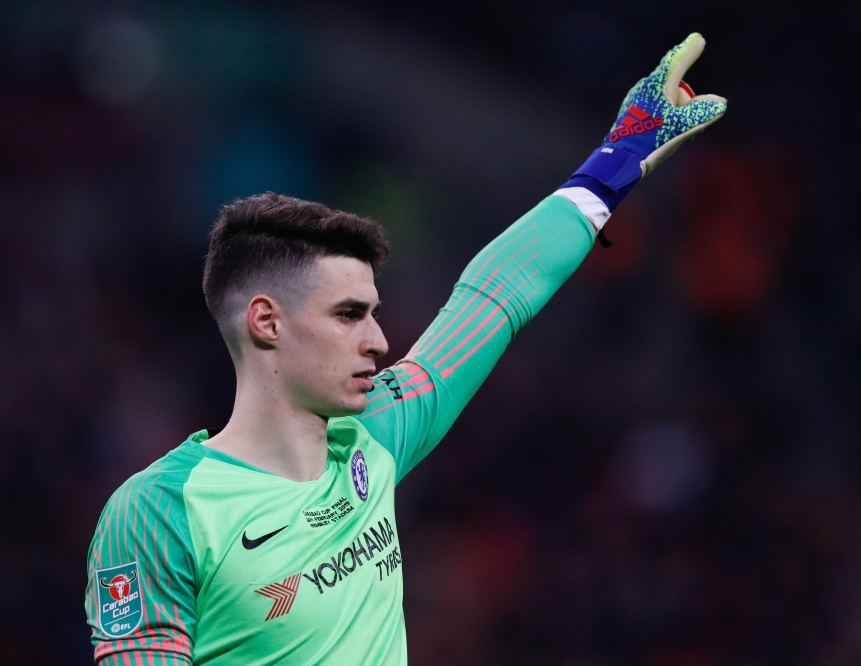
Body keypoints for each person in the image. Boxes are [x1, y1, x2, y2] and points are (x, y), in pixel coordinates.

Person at [85, 33, 726, 665]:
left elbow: (490, 301)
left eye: (373, 313)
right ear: (266, 323)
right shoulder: (160, 511)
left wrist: (616, 159)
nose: (378, 340)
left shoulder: (373, 435)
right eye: (347, 315)